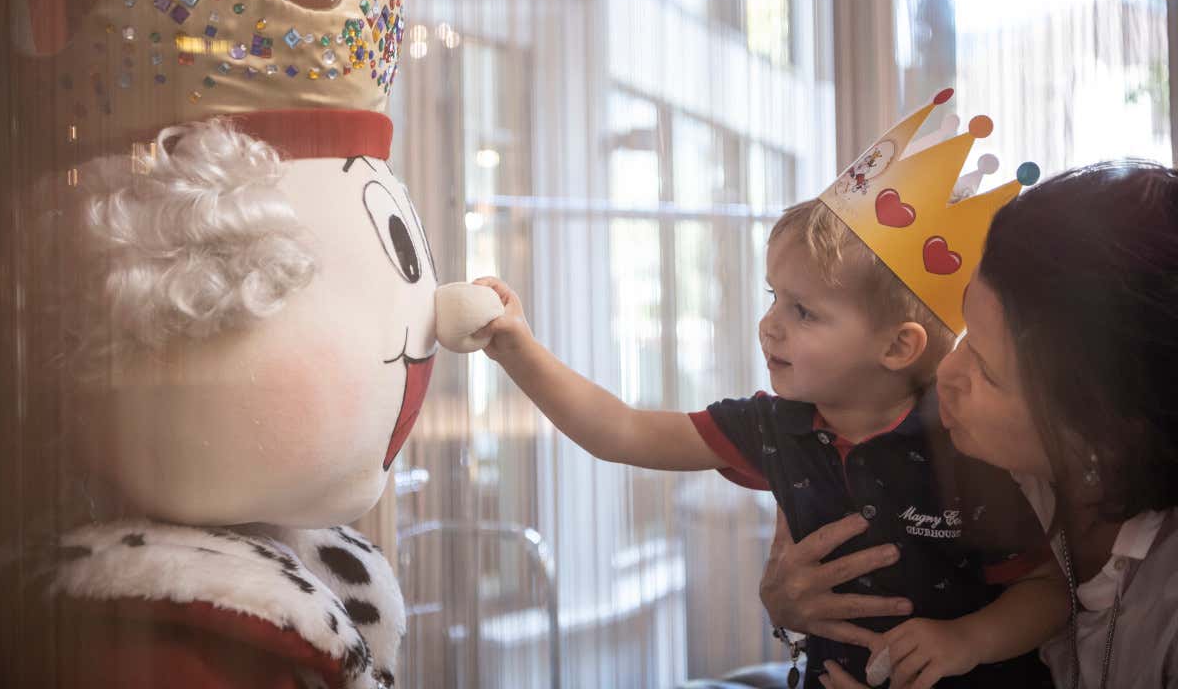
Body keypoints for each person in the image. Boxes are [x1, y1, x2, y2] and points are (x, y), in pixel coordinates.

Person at [478, 95, 1069, 687]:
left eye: (804, 312)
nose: (770, 325)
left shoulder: (960, 439)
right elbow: (621, 431)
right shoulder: (773, 427)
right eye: (773, 298)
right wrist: (518, 349)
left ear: (896, 348)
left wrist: (966, 639)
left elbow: (1047, 593)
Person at [762, 160, 1178, 689]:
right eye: (964, 334)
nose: (946, 371)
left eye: (985, 367)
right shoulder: (936, 454)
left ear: (1105, 432)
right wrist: (788, 602)